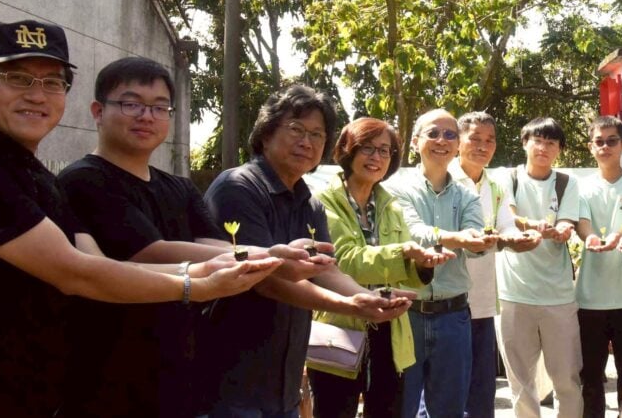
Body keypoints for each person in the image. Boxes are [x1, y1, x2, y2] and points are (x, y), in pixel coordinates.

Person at [0, 20, 280, 418]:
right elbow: (75, 273)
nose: (37, 95)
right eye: (18, 78)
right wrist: (196, 285)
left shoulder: (35, 176)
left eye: (52, 82)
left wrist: (211, 267)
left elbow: (99, 264)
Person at [59, 57, 328, 418]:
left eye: (158, 107)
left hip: (180, 380)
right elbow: (149, 251)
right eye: (131, 104)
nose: (146, 116)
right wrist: (269, 258)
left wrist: (266, 254)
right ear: (97, 111)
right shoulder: (84, 181)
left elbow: (213, 245)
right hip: (109, 380)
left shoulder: (178, 187)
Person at [203, 85, 411, 418]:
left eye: (317, 134)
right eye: (297, 129)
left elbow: (326, 268)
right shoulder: (238, 188)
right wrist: (348, 304)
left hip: (282, 384)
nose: (307, 142)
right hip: (231, 380)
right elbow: (264, 278)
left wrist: (369, 298)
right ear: (267, 133)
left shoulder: (309, 204)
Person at [309, 117, 449, 418]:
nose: (376, 158)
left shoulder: (391, 206)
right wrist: (402, 253)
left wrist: (422, 264)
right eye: (368, 148)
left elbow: (407, 272)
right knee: (334, 410)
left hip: (390, 331)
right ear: (348, 150)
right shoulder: (323, 203)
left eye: (385, 151)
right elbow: (344, 261)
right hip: (340, 328)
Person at [389, 108, 498, 418]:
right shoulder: (396, 187)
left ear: (457, 143)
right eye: (433, 133)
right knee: (401, 407)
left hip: (454, 316)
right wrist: (462, 239)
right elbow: (415, 233)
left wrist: (479, 242)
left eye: (450, 134)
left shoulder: (467, 195)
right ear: (414, 142)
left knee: (450, 409)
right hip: (406, 315)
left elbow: (477, 243)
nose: (442, 140)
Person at [449, 111, 541, 418]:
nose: (482, 146)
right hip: (446, 303)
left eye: (489, 140)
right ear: (458, 141)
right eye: (474, 138)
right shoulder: (443, 180)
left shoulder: (494, 185)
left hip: (484, 302)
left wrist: (521, 238)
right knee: (446, 391)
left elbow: (506, 228)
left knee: (481, 391)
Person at [496, 117, 585, 417]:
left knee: (567, 379)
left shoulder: (566, 182)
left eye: (551, 143)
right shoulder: (506, 178)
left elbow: (567, 221)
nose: (543, 148)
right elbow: (506, 212)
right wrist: (527, 224)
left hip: (558, 296)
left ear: (559, 149)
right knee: (520, 383)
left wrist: (561, 230)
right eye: (538, 140)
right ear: (525, 142)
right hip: (513, 295)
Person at [575, 115, 622, 417]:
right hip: (589, 299)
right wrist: (592, 238)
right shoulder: (580, 187)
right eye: (599, 141)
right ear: (590, 146)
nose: (605, 146)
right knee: (590, 378)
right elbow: (582, 223)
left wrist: (619, 236)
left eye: (612, 141)